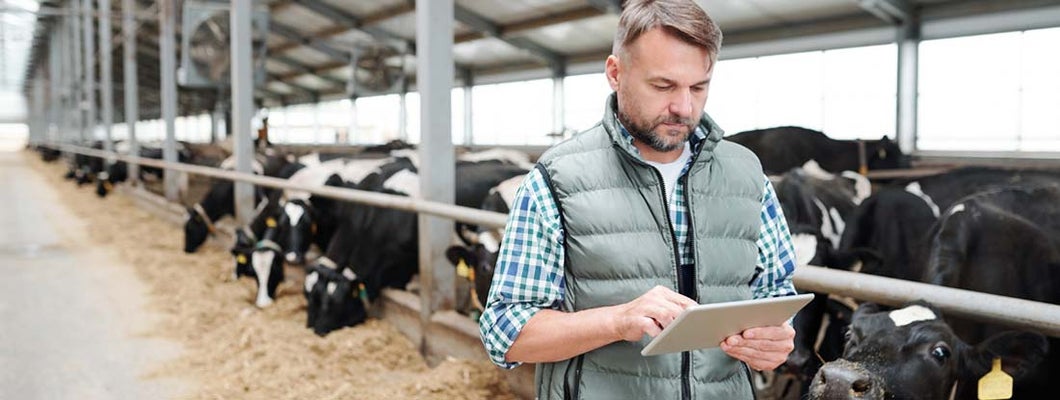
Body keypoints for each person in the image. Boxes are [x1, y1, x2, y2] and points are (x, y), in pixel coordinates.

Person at [478, 0, 800, 399]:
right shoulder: (558, 179)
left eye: (699, 87)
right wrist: (616, 320)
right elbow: (505, 333)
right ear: (615, 73)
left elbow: (775, 294)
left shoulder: (747, 175)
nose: (684, 107)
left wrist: (775, 341)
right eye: (663, 86)